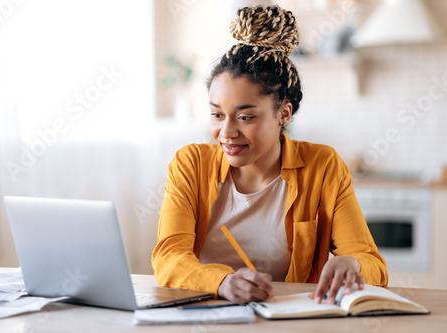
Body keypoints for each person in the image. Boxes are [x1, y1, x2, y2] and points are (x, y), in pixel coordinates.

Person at [152, 5, 388, 305]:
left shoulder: (322, 166)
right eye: (216, 114)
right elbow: (168, 257)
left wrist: (352, 264)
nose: (227, 132)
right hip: (205, 314)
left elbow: (373, 264)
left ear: (283, 114)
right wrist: (222, 282)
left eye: (246, 117)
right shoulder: (190, 164)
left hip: (288, 319)